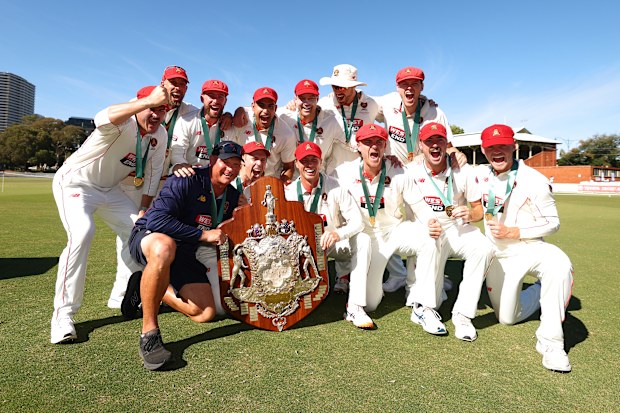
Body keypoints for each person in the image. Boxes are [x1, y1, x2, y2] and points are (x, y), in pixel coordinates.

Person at [50, 85, 169, 344]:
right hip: (75, 184)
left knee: (139, 232)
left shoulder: (160, 134)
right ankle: (63, 317)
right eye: (153, 108)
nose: (157, 116)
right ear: (140, 104)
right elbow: (100, 117)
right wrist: (146, 101)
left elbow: (152, 175)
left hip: (110, 191)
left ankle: (124, 294)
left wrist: (142, 210)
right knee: (82, 233)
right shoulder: (122, 123)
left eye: (162, 110)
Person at [124, 141, 246, 370]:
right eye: (225, 162)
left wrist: (244, 212)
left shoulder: (232, 196)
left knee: (205, 312)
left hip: (185, 251)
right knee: (164, 247)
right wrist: (203, 235)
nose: (230, 169)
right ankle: (149, 334)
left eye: (236, 164)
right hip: (151, 238)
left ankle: (146, 286)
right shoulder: (186, 179)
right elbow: (156, 221)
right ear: (212, 161)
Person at [474, 124, 574, 372]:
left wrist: (515, 232)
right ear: (484, 151)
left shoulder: (534, 181)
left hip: (529, 248)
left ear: (514, 146)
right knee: (508, 318)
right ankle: (541, 291)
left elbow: (553, 223)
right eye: (491, 147)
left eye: (503, 146)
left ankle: (551, 343)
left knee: (559, 265)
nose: (498, 151)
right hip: (498, 255)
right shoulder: (480, 174)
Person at [333, 124, 441, 314]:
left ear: (385, 146)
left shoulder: (398, 171)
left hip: (393, 231)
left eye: (379, 142)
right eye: (367, 142)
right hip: (364, 235)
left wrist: (430, 221)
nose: (373, 147)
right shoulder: (343, 173)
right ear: (358, 146)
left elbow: (420, 206)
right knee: (371, 304)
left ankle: (422, 303)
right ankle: (364, 295)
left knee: (429, 237)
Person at [407, 122, 494, 341]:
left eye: (439, 141)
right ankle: (426, 308)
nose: (435, 146)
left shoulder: (463, 170)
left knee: (483, 247)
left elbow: (478, 210)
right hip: (427, 227)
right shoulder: (412, 170)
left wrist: (469, 214)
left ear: (447, 144)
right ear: (421, 145)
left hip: (456, 228)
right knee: (431, 238)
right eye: (429, 142)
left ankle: (463, 314)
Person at [284, 142, 373, 328]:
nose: (309, 165)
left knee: (363, 240)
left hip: (330, 243)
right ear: (297, 164)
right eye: (304, 161)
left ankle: (355, 306)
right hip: (301, 249)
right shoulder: (289, 192)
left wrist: (337, 234)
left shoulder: (337, 186)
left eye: (313, 160)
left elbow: (357, 221)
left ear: (320, 162)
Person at [228, 87, 296, 182]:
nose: (266, 111)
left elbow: (288, 168)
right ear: (253, 107)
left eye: (270, 106)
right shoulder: (242, 120)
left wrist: (279, 187)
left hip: (269, 183)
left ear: (275, 108)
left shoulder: (286, 134)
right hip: (241, 181)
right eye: (261, 105)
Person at [318, 64, 380, 167]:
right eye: (334, 86)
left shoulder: (371, 104)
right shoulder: (324, 104)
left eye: (342, 87)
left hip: (361, 172)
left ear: (354, 86)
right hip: (333, 174)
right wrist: (291, 106)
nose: (337, 91)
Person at [170, 79, 234, 177]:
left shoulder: (229, 126)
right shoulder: (186, 121)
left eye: (221, 97)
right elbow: (177, 154)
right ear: (202, 98)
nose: (216, 101)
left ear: (225, 101)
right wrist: (189, 173)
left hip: (217, 179)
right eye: (211, 96)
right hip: (190, 176)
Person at [278, 79, 342, 175]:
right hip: (292, 181)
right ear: (295, 99)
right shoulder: (284, 117)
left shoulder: (331, 121)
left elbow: (350, 144)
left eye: (311, 98)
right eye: (302, 98)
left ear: (317, 98)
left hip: (320, 180)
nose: (306, 103)